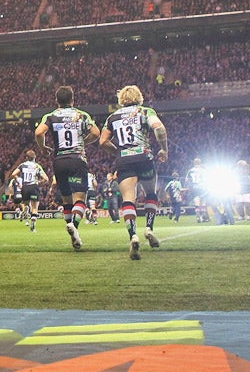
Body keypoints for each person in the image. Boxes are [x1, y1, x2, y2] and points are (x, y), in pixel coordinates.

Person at [99, 84, 168, 260]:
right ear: (139, 97)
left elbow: (103, 141)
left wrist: (118, 152)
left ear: (121, 99)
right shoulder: (145, 112)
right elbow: (159, 128)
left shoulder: (113, 117)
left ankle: (133, 236)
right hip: (144, 157)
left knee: (129, 198)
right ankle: (149, 229)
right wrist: (163, 149)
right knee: (151, 193)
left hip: (124, 160)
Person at [34, 85, 99, 251]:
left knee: (66, 201)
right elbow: (96, 133)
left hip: (59, 161)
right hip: (77, 160)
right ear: (73, 99)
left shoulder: (51, 116)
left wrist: (42, 148)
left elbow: (38, 132)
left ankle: (71, 228)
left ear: (56, 101)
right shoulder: (81, 115)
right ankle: (74, 225)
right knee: (80, 200)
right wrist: (84, 141)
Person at [10, 150, 49, 232]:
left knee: (25, 203)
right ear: (35, 157)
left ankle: (25, 208)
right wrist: (39, 183)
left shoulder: (22, 165)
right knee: (34, 208)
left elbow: (13, 174)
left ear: (26, 157)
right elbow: (46, 179)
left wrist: (19, 181)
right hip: (34, 186)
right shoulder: (37, 166)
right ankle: (33, 226)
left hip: (25, 187)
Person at [185, 157, 208, 223]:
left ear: (194, 163)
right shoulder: (203, 170)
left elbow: (187, 180)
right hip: (202, 187)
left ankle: (198, 217)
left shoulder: (190, 170)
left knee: (196, 202)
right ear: (200, 163)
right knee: (203, 201)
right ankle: (203, 217)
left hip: (194, 187)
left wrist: (190, 186)